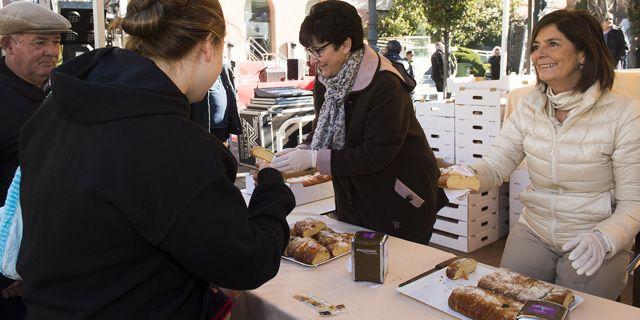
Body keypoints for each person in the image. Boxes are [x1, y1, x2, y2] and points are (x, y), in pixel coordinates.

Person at [16, 0, 295, 318]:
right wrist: (272, 189)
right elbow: (248, 262)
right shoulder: (171, 143)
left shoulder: (57, 107)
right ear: (207, 46)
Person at [461, 10, 640, 299]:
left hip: (593, 238)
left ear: (583, 53)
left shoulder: (625, 113)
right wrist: (467, 177)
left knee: (574, 310)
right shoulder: (529, 105)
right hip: (534, 230)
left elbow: (634, 201)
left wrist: (604, 239)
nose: (538, 54)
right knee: (503, 302)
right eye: (535, 46)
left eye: (553, 44)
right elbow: (496, 164)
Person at [271, 0, 447, 245]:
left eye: (318, 50)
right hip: (354, 198)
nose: (313, 60)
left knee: (393, 273)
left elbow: (375, 155)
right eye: (308, 51)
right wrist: (302, 149)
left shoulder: (386, 85)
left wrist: (313, 159)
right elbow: (322, 126)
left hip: (400, 201)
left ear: (345, 44)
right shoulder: (327, 80)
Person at [0, 2, 72, 318]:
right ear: (7, 44)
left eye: (56, 41)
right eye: (39, 42)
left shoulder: (52, 92)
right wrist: (3, 270)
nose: (51, 51)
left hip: (44, 263)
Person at [191, 63, 242, 143]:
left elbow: (231, 94)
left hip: (224, 129)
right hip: (206, 130)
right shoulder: (196, 71)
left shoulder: (224, 69)